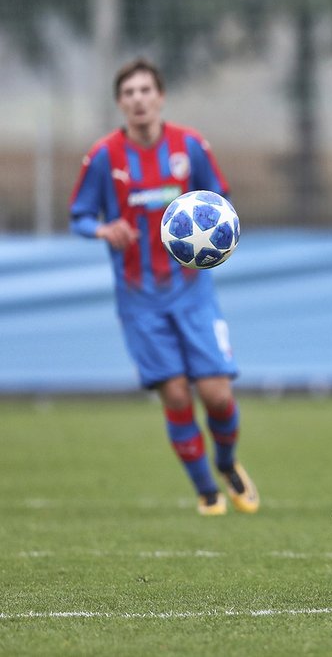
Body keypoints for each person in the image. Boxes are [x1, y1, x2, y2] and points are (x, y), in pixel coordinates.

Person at [69, 57, 259, 517]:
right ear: (120, 102)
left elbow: (221, 201)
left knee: (217, 395)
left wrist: (215, 234)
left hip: (193, 294)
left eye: (145, 90)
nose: (138, 99)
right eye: (128, 92)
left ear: (160, 96)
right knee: (175, 395)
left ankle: (228, 464)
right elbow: (79, 216)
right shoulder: (103, 157)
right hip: (140, 300)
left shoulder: (189, 146)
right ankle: (205, 490)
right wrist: (103, 230)